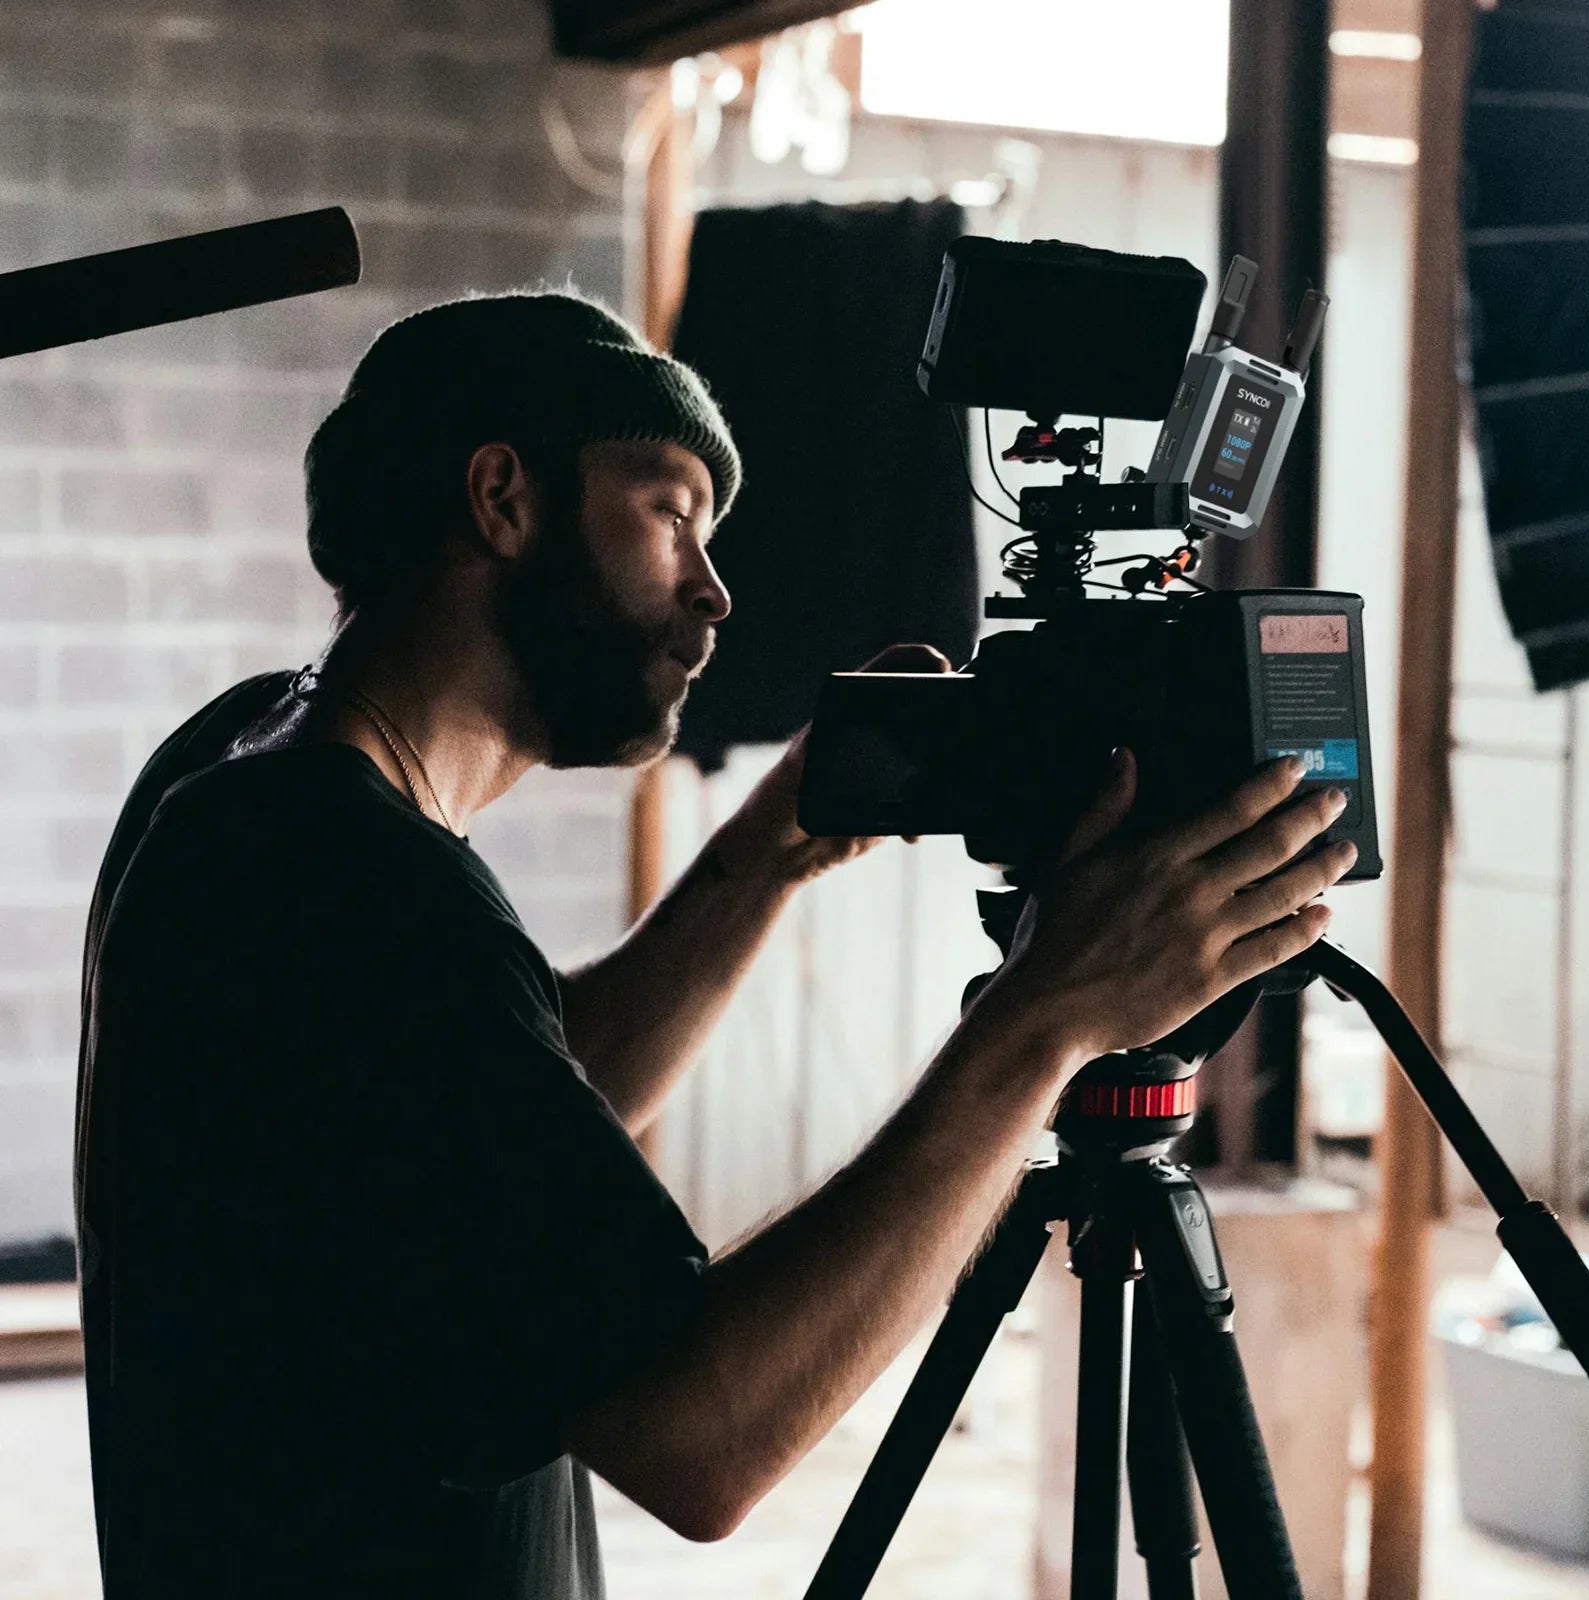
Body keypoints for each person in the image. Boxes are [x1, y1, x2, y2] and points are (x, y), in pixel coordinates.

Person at [73, 289, 1354, 1599]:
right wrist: (1048, 1016)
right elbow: (701, 1439)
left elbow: (492, 1124)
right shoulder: (348, 884)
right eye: (671, 511)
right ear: (503, 498)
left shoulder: (248, 774)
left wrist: (766, 855)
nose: (716, 589)